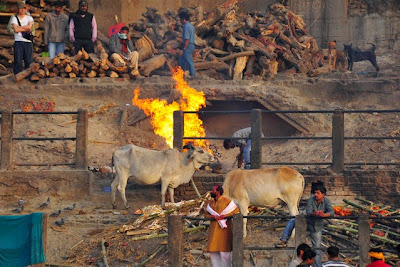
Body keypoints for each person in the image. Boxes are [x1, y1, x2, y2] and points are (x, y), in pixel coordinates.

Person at [275, 181, 334, 267]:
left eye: (318, 193)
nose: (316, 195)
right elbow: (309, 211)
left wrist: (323, 215)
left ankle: (317, 266)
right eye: (315, 193)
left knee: (316, 249)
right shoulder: (311, 200)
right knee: (293, 220)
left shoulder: (326, 201)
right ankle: (284, 239)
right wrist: (315, 213)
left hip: (317, 227)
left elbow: (331, 212)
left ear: (323, 194)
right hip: (307, 223)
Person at [204, 185, 239, 267]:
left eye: (213, 190)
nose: (211, 192)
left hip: (224, 231)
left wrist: (224, 216)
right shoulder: (209, 203)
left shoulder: (227, 201)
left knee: (225, 254)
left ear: (218, 192)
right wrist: (211, 216)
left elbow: (236, 212)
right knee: (213, 252)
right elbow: (206, 215)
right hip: (213, 230)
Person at [11, 2, 34, 75]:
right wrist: (25, 28)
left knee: (28, 60)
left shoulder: (29, 17)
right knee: (18, 60)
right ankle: (17, 75)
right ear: (18, 9)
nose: (22, 10)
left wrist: (19, 27)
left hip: (28, 41)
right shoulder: (14, 18)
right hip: (18, 41)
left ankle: (28, 76)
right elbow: (15, 30)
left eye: (24, 8)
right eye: (21, 8)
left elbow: (29, 27)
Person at [178, 10, 196, 77]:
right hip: (191, 45)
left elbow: (187, 39)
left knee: (189, 61)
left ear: (183, 19)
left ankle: (193, 75)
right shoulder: (191, 26)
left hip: (188, 45)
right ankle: (181, 75)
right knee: (181, 61)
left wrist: (185, 48)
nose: (180, 21)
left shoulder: (186, 26)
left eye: (180, 19)